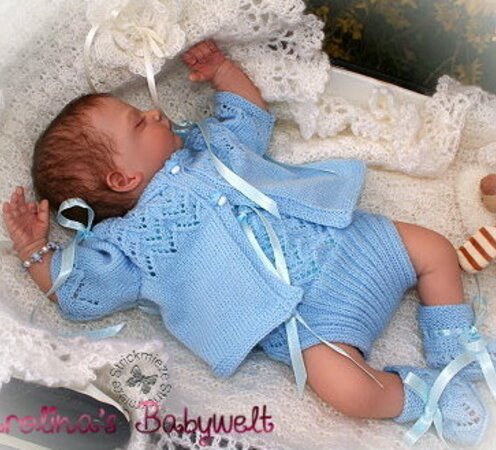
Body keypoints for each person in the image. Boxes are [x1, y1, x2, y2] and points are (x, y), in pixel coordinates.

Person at [2, 39, 493, 446]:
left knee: (433, 249)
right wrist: (34, 252)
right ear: (122, 178)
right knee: (348, 391)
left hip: (350, 242)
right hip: (306, 321)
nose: (155, 113)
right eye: (138, 122)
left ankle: (453, 344)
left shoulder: (209, 147)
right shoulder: (132, 244)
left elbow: (249, 116)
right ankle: (423, 396)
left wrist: (224, 71)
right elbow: (79, 289)